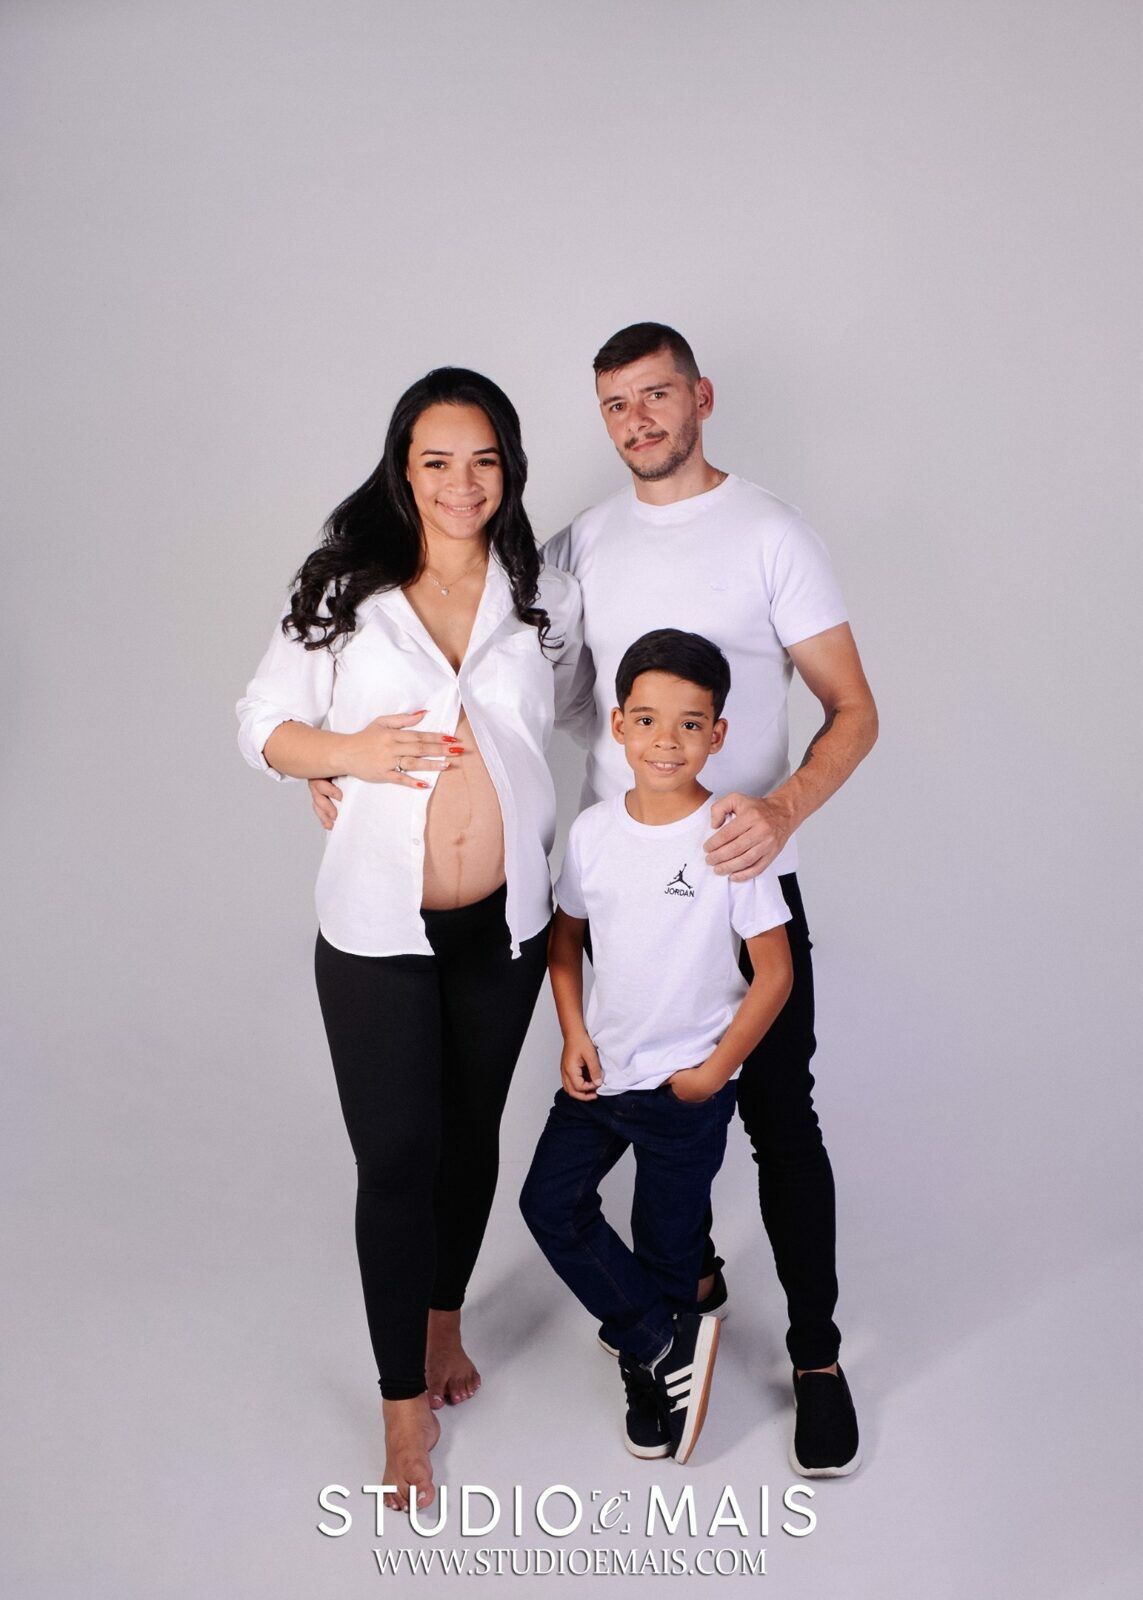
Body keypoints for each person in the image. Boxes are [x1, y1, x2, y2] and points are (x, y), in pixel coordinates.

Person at [309, 322, 878, 1476]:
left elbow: (853, 708)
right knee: (634, 1108)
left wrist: (781, 811)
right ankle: (673, 1308)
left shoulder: (771, 532)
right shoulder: (573, 552)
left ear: (701, 397)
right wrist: (335, 755)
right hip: (618, 892)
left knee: (780, 1118)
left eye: (658, 395)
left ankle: (816, 1357)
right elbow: (504, 690)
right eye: (617, 403)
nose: (638, 420)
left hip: (737, 874)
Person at [236, 367, 582, 1512]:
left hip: (507, 925)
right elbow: (262, 722)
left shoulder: (543, 593)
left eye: (483, 460)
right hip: (379, 930)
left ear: (509, 470)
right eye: (437, 461)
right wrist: (338, 757)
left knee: (470, 1137)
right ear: (403, 469)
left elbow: (585, 713)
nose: (461, 483)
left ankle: (443, 1322)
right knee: (396, 1159)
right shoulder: (346, 588)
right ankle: (400, 1410)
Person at [520, 630, 793, 1464]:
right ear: (618, 726)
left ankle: (657, 1359)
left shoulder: (730, 834)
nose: (665, 740)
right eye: (646, 719)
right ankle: (657, 1342)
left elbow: (775, 973)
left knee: (666, 1246)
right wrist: (573, 1032)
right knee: (549, 1204)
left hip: (685, 1088)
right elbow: (564, 942)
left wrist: (714, 1072)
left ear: (716, 733)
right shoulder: (594, 833)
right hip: (601, 1075)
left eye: (689, 723)